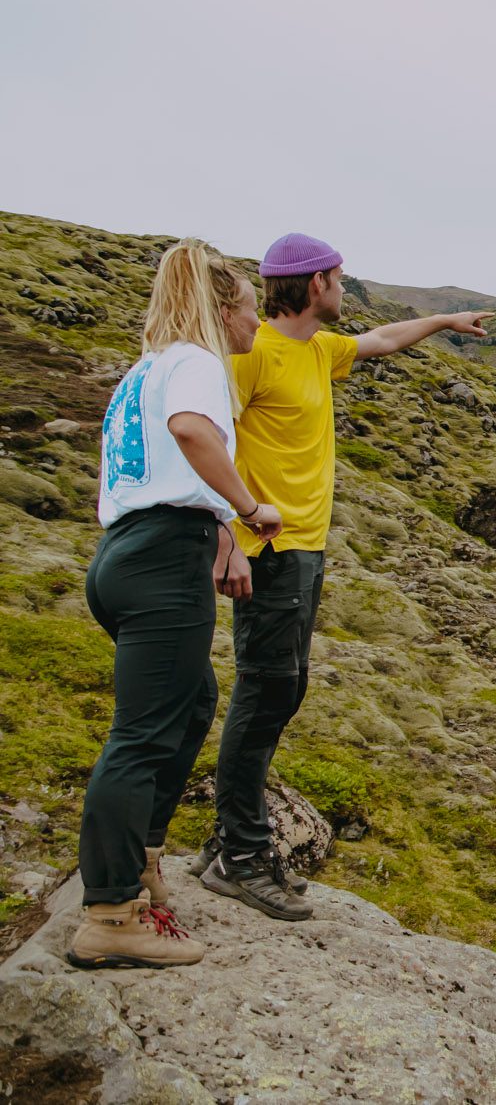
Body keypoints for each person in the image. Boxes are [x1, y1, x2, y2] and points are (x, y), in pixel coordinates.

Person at [196, 233, 489, 920]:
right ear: (316, 283)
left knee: (284, 688)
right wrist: (227, 536)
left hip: (305, 549)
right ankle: (237, 854)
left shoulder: (318, 350)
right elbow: (207, 438)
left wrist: (445, 322)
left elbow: (384, 339)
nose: (344, 288)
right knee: (264, 691)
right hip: (267, 549)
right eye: (338, 278)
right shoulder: (253, 354)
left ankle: (233, 841)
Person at [69, 241, 282, 970]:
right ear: (225, 309)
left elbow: (156, 463)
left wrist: (214, 529)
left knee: (192, 701)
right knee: (143, 733)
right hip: (163, 563)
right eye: (251, 309)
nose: (256, 324)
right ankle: (110, 910)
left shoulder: (144, 369)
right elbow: (192, 434)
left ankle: (144, 862)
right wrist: (248, 507)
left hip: (126, 554)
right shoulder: (197, 360)